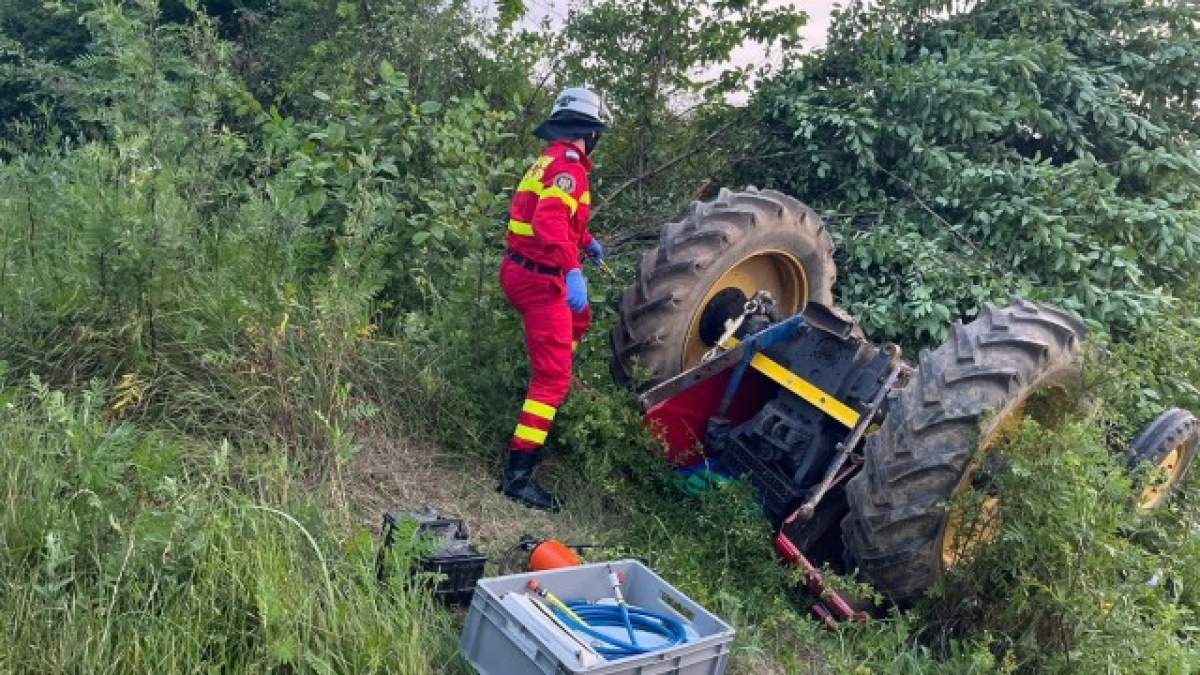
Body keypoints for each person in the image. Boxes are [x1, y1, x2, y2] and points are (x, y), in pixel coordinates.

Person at [498, 87, 609, 511]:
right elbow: (547, 224)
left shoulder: (548, 161)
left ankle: (560, 360)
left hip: (525, 271)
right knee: (550, 381)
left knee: (580, 318)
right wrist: (574, 268)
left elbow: (559, 220)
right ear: (590, 132)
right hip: (540, 280)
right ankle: (518, 478)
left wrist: (588, 241)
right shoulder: (570, 168)